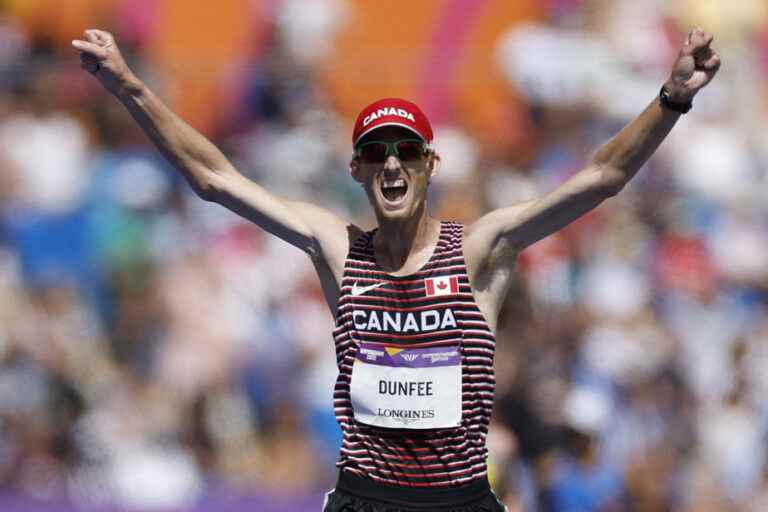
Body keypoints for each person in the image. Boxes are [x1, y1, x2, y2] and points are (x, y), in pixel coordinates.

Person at [72, 27, 720, 512]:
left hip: (460, 497)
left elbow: (601, 177)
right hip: (365, 498)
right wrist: (130, 89)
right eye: (374, 152)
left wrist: (670, 99)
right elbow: (215, 179)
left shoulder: (479, 250)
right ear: (356, 169)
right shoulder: (336, 249)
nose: (390, 165)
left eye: (406, 152)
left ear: (428, 166)